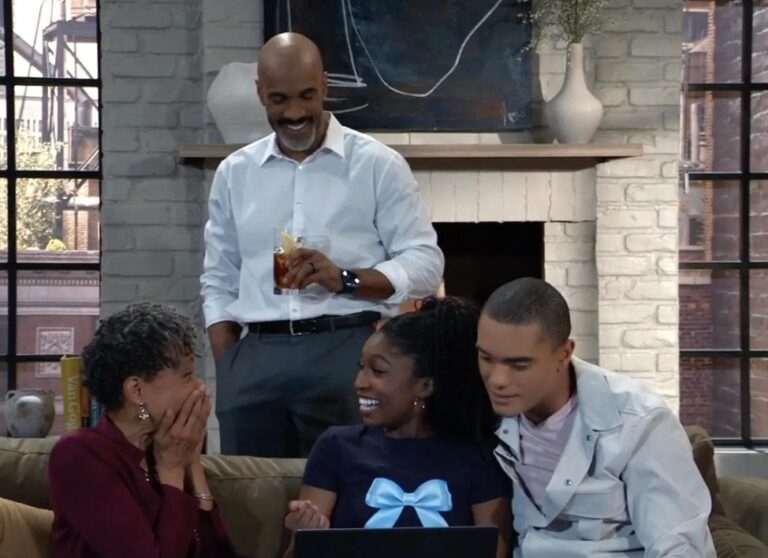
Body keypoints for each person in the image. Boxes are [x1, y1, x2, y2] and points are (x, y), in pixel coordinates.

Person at [201, 31, 444, 458]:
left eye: (306, 96)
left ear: (325, 86)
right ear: (260, 93)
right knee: (249, 492)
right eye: (279, 100)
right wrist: (230, 366)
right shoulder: (234, 173)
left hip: (347, 350)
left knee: (351, 487)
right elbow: (218, 277)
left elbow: (426, 263)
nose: (295, 113)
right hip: (256, 357)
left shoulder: (378, 165)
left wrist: (345, 278)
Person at [476, 278, 716, 558]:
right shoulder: (482, 415)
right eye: (486, 358)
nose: (497, 380)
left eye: (518, 365)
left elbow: (678, 545)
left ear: (564, 354)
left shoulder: (639, 421)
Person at [282, 297, 512, 558]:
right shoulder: (335, 447)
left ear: (425, 386)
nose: (359, 383)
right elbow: (295, 553)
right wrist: (307, 535)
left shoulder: (478, 458)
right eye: (361, 368)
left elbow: (494, 551)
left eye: (378, 371)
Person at [48, 302, 237, 558]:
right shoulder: (80, 455)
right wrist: (172, 469)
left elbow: (219, 554)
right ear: (137, 390)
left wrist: (192, 465)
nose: (200, 388)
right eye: (187, 375)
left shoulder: (170, 444)